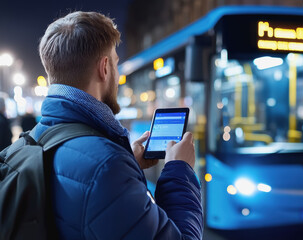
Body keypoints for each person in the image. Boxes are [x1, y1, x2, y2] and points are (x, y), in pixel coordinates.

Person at [36, 11, 203, 239]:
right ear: (104, 68)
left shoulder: (35, 139)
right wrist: (179, 171)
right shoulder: (107, 166)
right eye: (116, 63)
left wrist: (128, 165)